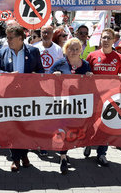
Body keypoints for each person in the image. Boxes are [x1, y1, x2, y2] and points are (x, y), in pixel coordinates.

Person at [0, 25, 44, 172]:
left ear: (20, 38)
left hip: (27, 95)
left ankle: (24, 154)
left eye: (11, 38)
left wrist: (35, 76)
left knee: (26, 127)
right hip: (9, 95)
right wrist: (7, 75)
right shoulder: (2, 52)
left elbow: (40, 71)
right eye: (7, 37)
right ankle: (16, 158)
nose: (8, 40)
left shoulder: (34, 51)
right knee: (13, 127)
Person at [85, 28, 121, 166]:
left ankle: (102, 153)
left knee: (107, 126)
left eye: (109, 38)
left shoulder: (119, 58)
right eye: (104, 38)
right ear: (100, 39)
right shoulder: (92, 55)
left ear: (113, 40)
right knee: (91, 124)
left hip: (111, 98)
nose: (106, 41)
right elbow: (83, 73)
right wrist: (86, 75)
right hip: (93, 97)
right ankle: (88, 143)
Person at [50, 38, 91, 174]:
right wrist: (53, 76)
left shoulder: (85, 65)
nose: (73, 52)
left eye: (76, 49)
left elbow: (91, 85)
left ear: (80, 50)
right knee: (63, 128)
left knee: (73, 129)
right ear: (65, 50)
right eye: (70, 49)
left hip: (79, 105)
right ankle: (62, 156)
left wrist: (90, 77)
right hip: (62, 103)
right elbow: (46, 79)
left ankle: (68, 151)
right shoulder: (59, 63)